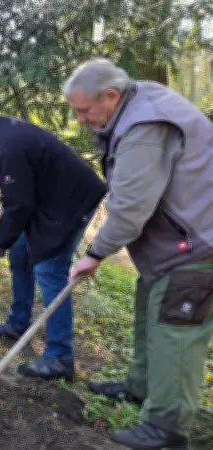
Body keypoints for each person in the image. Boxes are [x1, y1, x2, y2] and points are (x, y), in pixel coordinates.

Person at [65, 58, 213, 450]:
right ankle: (141, 387)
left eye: (84, 110)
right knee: (150, 309)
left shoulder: (145, 127)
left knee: (174, 334)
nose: (80, 119)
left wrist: (95, 253)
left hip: (199, 245)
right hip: (175, 245)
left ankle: (167, 428)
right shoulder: (135, 106)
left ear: (110, 96)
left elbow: (130, 208)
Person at [0, 106, 107, 380]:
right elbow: (18, 197)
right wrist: (5, 242)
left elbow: (18, 205)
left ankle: (60, 357)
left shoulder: (9, 147)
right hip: (44, 199)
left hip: (69, 203)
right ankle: (18, 323)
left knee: (49, 270)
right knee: (19, 253)